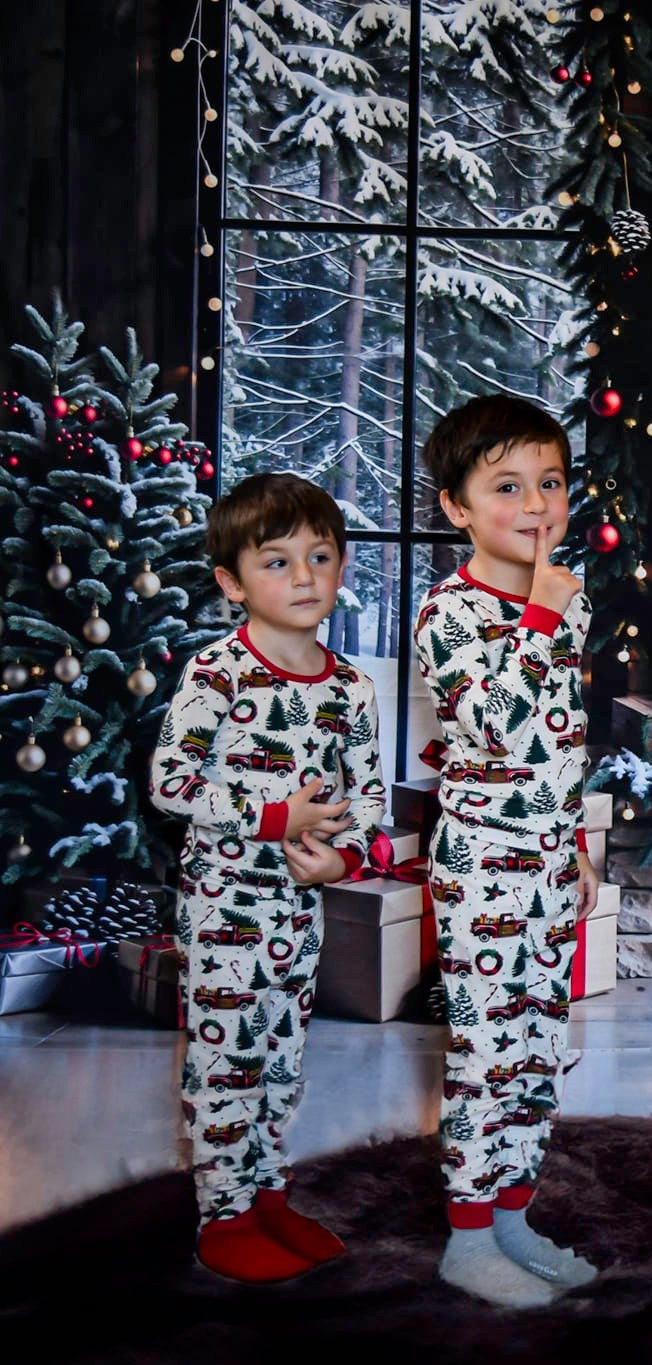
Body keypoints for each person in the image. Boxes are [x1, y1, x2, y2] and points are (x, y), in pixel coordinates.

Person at [151, 473, 386, 1283]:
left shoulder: (351, 690)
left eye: (320, 557)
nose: (305, 577)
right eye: (278, 562)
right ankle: (223, 1214)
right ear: (232, 582)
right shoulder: (217, 673)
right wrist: (272, 816)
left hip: (300, 911)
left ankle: (268, 1194)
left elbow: (370, 801)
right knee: (228, 1060)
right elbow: (171, 782)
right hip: (224, 911)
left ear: (343, 565)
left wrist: (344, 856)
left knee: (284, 1056)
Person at [415, 394, 601, 1308]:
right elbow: (492, 724)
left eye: (551, 483)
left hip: (546, 858)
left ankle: (516, 1215)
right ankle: (467, 1236)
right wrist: (536, 614)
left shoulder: (567, 599)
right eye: (507, 487)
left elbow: (558, 739)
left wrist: (575, 844)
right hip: (484, 862)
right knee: (485, 1050)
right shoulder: (445, 613)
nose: (536, 505)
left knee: (537, 1048)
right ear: (455, 507)